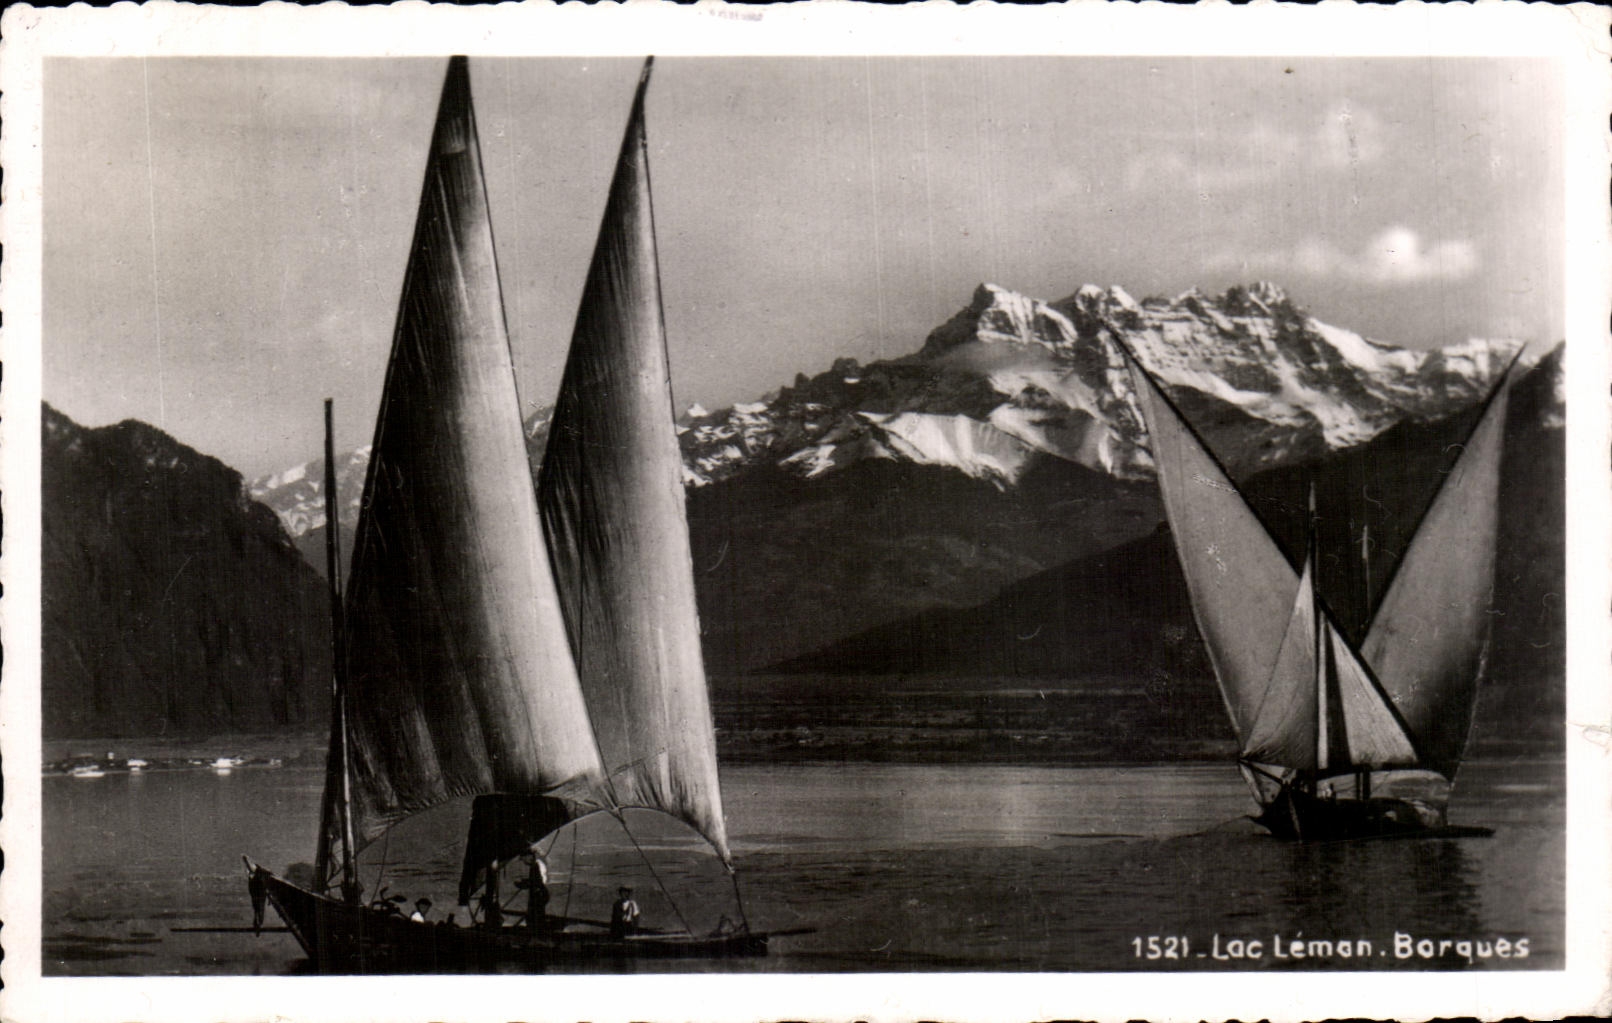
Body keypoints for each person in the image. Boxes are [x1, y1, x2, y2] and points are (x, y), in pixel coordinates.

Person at [514, 845, 550, 934]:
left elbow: (536, 882)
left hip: (538, 895)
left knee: (535, 917)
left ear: (529, 857)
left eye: (524, 859)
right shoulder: (535, 866)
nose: (524, 862)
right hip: (539, 894)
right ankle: (537, 931)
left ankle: (536, 933)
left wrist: (523, 884)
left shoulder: (535, 866)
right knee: (536, 916)